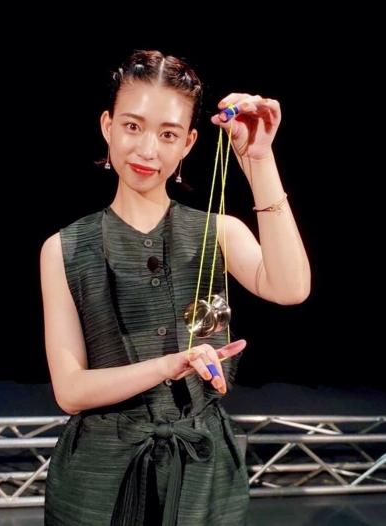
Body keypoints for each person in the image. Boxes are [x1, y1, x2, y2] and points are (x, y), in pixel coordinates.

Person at [40, 49, 311, 526]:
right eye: (133, 126)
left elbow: (291, 288)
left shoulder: (218, 231)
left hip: (202, 472)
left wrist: (259, 161)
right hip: (98, 479)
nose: (148, 150)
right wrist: (169, 365)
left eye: (167, 134)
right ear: (107, 126)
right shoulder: (64, 247)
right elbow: (71, 389)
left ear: (188, 143)